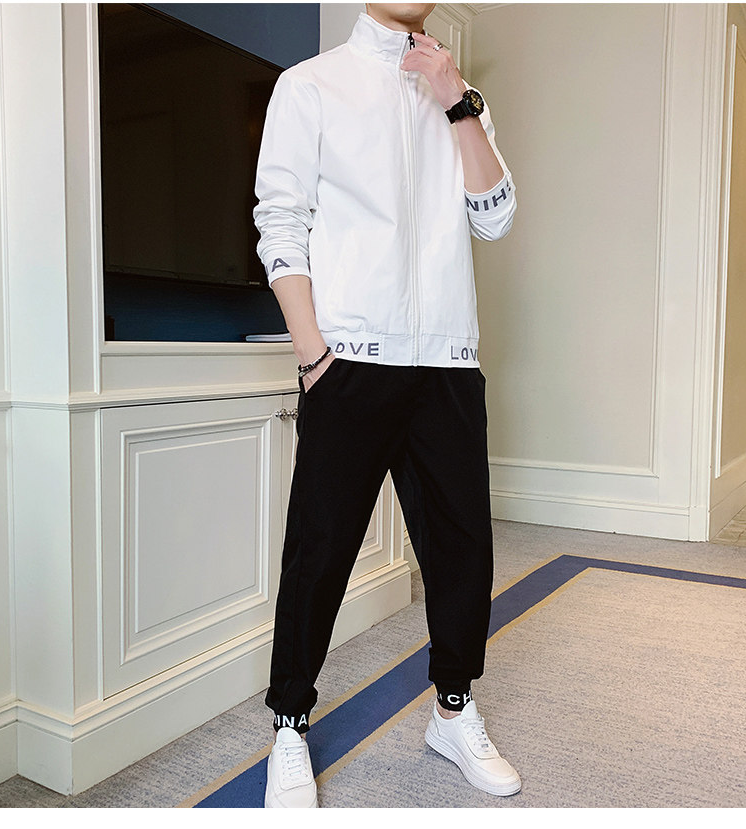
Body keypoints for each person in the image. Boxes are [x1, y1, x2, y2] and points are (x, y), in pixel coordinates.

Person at [253, 3, 519, 808]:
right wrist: (313, 354)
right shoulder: (311, 86)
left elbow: (497, 219)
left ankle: (454, 712)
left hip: (447, 361)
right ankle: (290, 725)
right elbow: (280, 222)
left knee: (463, 551)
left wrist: (458, 100)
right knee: (321, 550)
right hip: (350, 363)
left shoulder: (456, 94)